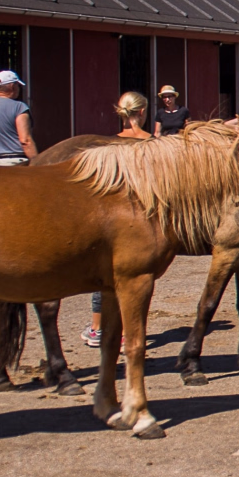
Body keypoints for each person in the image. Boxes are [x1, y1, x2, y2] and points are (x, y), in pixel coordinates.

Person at [84, 93, 155, 346]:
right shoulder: (151, 143)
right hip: (143, 219)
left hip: (114, 217)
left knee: (105, 277)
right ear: (143, 111)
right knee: (136, 278)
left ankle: (96, 328)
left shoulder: (110, 145)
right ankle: (128, 331)